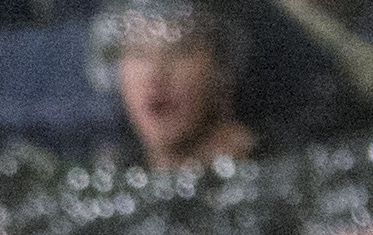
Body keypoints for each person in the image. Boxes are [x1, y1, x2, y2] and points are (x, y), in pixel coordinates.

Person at [99, 0, 267, 170]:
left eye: (179, 51)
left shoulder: (274, 168)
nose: (154, 74)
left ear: (220, 66)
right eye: (137, 52)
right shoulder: (109, 174)